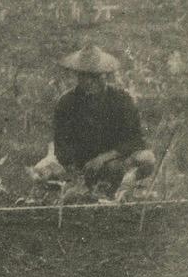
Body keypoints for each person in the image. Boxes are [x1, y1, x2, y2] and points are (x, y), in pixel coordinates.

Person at [33, 45, 157, 196]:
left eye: (95, 77)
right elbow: (61, 145)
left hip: (115, 159)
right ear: (78, 76)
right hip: (81, 164)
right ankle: (76, 190)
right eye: (84, 76)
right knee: (41, 171)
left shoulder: (121, 99)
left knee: (147, 159)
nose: (89, 82)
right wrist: (77, 165)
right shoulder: (66, 102)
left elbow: (135, 140)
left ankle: (123, 188)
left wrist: (104, 158)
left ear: (105, 76)